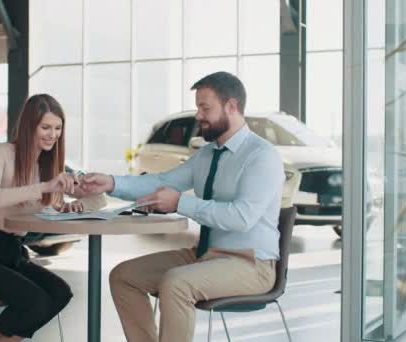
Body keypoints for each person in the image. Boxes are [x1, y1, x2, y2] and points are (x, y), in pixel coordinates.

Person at [80, 71, 285, 342]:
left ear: (231, 106)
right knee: (124, 276)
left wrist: (181, 203)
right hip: (206, 255)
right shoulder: (206, 154)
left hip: (251, 264)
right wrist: (110, 183)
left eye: (205, 108)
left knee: (176, 283)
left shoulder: (262, 156)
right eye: (198, 107)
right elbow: (162, 181)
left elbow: (242, 217)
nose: (198, 115)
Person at [0, 94, 106, 342]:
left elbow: (100, 200)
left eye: (58, 128)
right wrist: (45, 187)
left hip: (12, 254)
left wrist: (80, 201)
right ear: (29, 126)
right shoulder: (3, 153)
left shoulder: (51, 167)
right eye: (45, 127)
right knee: (35, 302)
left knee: (60, 293)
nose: (52, 135)